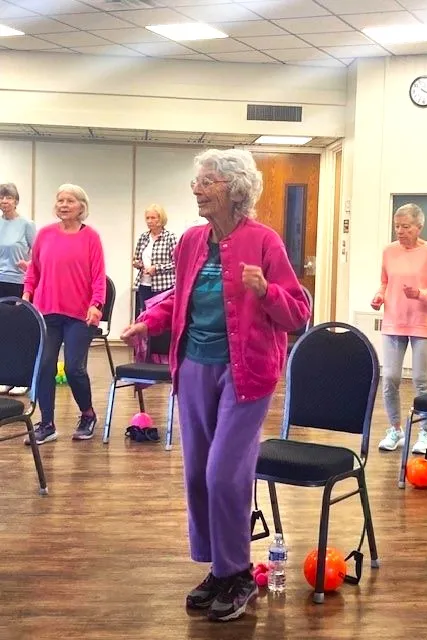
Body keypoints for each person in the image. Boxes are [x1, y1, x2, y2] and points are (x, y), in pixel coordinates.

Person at [121, 149, 310, 622]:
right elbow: (177, 297)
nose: (197, 188)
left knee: (224, 473)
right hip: (196, 368)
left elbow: (298, 314)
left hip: (247, 372)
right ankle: (219, 569)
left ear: (234, 188)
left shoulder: (264, 241)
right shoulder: (190, 241)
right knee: (196, 473)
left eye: (207, 182)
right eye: (198, 181)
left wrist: (266, 290)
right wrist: (148, 321)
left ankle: (239, 573)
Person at [23, 184, 106, 445]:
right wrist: (27, 293)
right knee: (44, 366)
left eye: (70, 200)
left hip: (79, 316)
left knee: (73, 368)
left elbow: (98, 276)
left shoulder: (90, 237)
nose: (63, 205)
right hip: (47, 312)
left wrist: (97, 304)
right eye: (60, 200)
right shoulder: (45, 234)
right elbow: (33, 270)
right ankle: (46, 423)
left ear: (82, 206)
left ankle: (87, 414)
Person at [371, 203, 427, 454]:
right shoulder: (388, 252)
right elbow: (384, 282)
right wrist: (379, 296)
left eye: (405, 226)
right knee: (390, 378)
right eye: (397, 226)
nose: (400, 231)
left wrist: (420, 294)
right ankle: (395, 429)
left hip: (423, 323)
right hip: (394, 322)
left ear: (419, 227)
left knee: (420, 380)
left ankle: (425, 433)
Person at [0, 182, 36, 396]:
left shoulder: (26, 224)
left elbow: (38, 254)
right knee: (3, 331)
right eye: (2, 197)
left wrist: (29, 267)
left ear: (16, 200)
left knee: (19, 331)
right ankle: (5, 376)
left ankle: (22, 378)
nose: (4, 201)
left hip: (18, 281)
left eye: (9, 197)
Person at [133, 204, 177, 313]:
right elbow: (137, 258)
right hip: (144, 284)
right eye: (147, 218)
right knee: (145, 315)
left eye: (153, 218)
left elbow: (177, 262)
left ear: (161, 219)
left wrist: (157, 268)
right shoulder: (143, 237)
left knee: (160, 316)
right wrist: (137, 264)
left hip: (163, 285)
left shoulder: (170, 237)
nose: (149, 221)